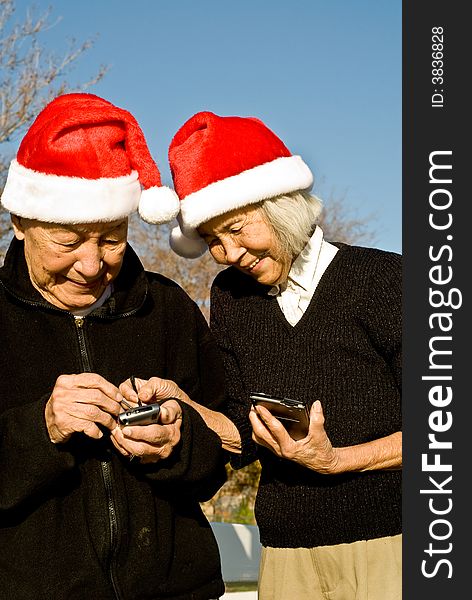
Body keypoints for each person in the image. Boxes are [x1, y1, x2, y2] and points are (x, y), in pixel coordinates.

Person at [163, 111, 402, 600]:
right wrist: (183, 408)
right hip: (286, 553)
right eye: (212, 241)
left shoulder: (388, 281)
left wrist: (338, 461)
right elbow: (240, 426)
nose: (228, 253)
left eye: (236, 229)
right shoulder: (230, 296)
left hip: (392, 542)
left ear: (282, 207)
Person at [0, 94, 228, 600]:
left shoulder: (167, 309)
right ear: (20, 222)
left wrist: (179, 441)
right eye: (67, 242)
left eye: (111, 239)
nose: (90, 264)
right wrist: (43, 429)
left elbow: (223, 455)